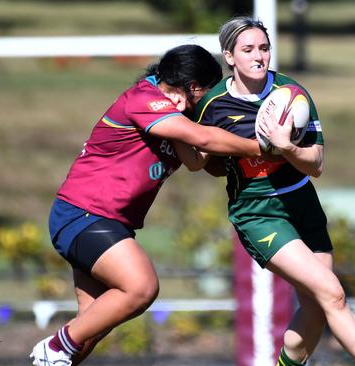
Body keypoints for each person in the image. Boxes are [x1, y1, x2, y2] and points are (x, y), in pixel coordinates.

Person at [29, 44, 268, 366]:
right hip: (84, 214)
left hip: (106, 221)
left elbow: (198, 160)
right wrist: (263, 147)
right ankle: (56, 346)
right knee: (140, 288)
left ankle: (57, 354)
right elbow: (205, 141)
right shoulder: (144, 99)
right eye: (204, 93)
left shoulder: (175, 116)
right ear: (193, 87)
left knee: (89, 326)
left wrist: (236, 130)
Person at [193, 17, 355, 366]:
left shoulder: (293, 94)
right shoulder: (212, 105)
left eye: (264, 48)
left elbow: (316, 164)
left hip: (303, 203)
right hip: (259, 212)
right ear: (229, 57)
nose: (259, 56)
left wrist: (286, 147)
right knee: (333, 293)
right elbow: (204, 161)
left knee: (318, 307)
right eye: (248, 49)